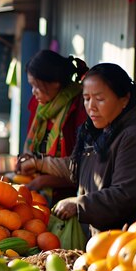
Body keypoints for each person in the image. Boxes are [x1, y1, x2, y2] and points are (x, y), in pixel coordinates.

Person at [18, 63, 136, 234]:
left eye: (99, 99)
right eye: (86, 98)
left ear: (124, 99)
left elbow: (122, 196)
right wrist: (39, 163)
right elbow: (79, 166)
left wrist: (79, 204)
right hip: (107, 242)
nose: (91, 106)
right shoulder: (103, 130)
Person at [24, 50, 89, 205]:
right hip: (38, 198)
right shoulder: (39, 107)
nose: (33, 92)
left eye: (37, 86)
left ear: (55, 83)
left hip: (68, 202)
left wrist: (44, 180)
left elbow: (84, 170)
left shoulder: (80, 109)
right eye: (31, 86)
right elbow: (30, 150)